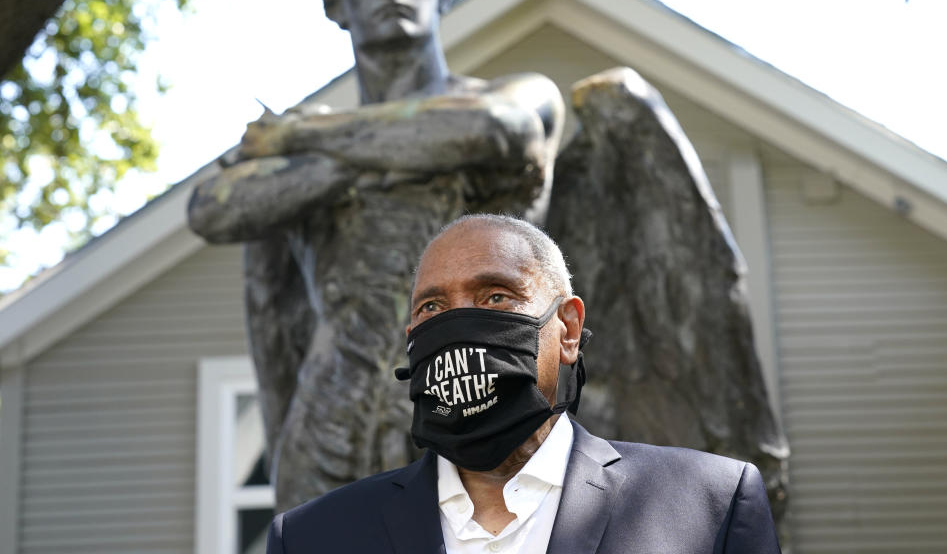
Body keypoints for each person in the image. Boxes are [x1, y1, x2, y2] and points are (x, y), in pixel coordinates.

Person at [187, 0, 564, 511]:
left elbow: (498, 130)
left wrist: (309, 135)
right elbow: (215, 209)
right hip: (331, 416)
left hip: (477, 401)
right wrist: (397, 149)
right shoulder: (305, 146)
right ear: (337, 2)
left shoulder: (511, 94)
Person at [265, 214, 782, 553]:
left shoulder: (707, 504)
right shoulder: (314, 538)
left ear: (570, 329)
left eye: (495, 297)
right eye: (433, 307)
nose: (457, 327)